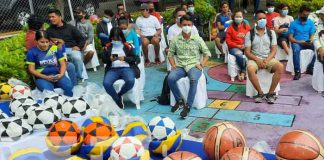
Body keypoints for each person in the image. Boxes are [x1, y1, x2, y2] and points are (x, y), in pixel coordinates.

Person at [168, 15, 211, 118]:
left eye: (189, 25)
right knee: (170, 78)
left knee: (193, 79)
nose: (186, 27)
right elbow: (170, 54)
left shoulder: (197, 39)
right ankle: (179, 101)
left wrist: (202, 64)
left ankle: (188, 106)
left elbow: (207, 53)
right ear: (180, 25)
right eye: (184, 25)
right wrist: (173, 65)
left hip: (193, 65)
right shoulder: (175, 39)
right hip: (181, 66)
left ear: (192, 26)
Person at [244, 10, 283, 104]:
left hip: (268, 58)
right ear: (256, 20)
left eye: (264, 18)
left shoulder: (271, 33)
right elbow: (247, 52)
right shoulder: (250, 34)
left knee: (280, 67)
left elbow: (274, 50)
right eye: (260, 18)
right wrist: (257, 60)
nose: (262, 20)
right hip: (254, 58)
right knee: (250, 68)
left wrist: (266, 60)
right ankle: (260, 93)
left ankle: (270, 93)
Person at [26, 30, 73, 96]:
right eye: (42, 42)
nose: (45, 44)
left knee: (69, 87)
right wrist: (45, 77)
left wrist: (61, 74)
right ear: (36, 41)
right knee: (49, 92)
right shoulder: (32, 52)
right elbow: (31, 70)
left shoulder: (54, 48)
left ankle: (68, 104)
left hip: (57, 75)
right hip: (42, 78)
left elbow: (63, 64)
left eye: (47, 42)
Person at [102, 27, 140, 109]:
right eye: (113, 38)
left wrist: (125, 58)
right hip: (112, 69)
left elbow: (136, 58)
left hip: (126, 68)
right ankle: (117, 99)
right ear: (111, 37)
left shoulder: (128, 46)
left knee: (130, 81)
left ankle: (119, 94)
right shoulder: (107, 47)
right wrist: (110, 59)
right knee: (106, 83)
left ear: (121, 37)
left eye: (117, 38)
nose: (116, 40)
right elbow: (104, 60)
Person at [46, 9, 86, 83]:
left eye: (53, 17)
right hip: (57, 50)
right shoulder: (49, 30)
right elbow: (48, 43)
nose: (51, 19)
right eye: (49, 17)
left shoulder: (70, 28)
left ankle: (78, 78)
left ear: (60, 17)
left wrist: (78, 47)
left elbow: (81, 39)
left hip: (71, 49)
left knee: (76, 57)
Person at [288, 5, 316, 80]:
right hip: (297, 42)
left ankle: (311, 67)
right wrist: (299, 42)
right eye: (304, 15)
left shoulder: (310, 23)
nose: (306, 16)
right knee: (296, 50)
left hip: (308, 43)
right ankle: (297, 71)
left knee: (319, 48)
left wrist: (311, 40)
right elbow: (290, 38)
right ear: (299, 14)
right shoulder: (293, 23)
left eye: (307, 15)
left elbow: (312, 35)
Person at [226, 10, 251, 81]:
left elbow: (251, 38)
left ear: (243, 17)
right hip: (234, 47)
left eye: (240, 16)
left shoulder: (246, 27)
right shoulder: (230, 28)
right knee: (239, 54)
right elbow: (228, 41)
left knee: (252, 53)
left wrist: (246, 45)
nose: (238, 18)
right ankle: (243, 71)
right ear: (234, 17)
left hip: (245, 46)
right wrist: (238, 46)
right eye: (237, 16)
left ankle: (247, 72)